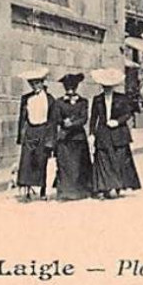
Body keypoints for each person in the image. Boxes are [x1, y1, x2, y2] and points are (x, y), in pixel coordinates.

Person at [88, 67, 141, 200]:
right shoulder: (97, 99)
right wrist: (92, 133)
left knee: (118, 160)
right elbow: (93, 117)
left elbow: (128, 114)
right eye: (105, 86)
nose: (107, 88)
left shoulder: (122, 99)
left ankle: (117, 186)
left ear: (113, 86)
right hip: (103, 133)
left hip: (118, 133)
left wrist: (117, 121)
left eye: (109, 86)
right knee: (103, 159)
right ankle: (103, 187)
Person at [14, 67, 56, 200]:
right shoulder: (26, 99)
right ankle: (26, 189)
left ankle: (43, 190)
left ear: (43, 83)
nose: (35, 86)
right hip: (31, 131)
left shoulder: (50, 100)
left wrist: (51, 139)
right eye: (32, 83)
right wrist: (20, 136)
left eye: (37, 83)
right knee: (27, 160)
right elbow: (22, 118)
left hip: (43, 131)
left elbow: (52, 120)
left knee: (41, 160)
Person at [52, 72, 94, 200]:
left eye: (73, 87)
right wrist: (64, 122)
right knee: (65, 165)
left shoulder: (83, 101)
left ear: (76, 87)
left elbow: (84, 118)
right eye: (68, 87)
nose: (70, 89)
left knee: (80, 164)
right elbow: (56, 117)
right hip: (64, 139)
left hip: (78, 138)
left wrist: (72, 123)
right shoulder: (59, 102)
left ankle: (81, 191)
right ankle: (65, 192)